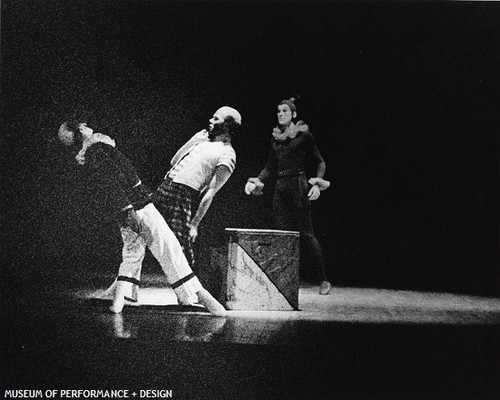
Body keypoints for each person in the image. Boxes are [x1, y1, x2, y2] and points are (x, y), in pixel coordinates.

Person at [57, 119, 226, 316]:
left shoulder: (96, 149)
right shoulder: (98, 149)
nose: (86, 126)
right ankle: (198, 293)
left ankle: (119, 299)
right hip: (137, 206)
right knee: (168, 247)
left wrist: (124, 210)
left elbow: (112, 183)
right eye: (81, 127)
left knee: (132, 252)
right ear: (81, 129)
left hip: (129, 206)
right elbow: (112, 182)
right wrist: (127, 209)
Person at [244, 98, 332, 295]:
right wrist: (257, 180)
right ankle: (288, 280)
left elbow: (320, 162)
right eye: (278, 111)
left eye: (284, 111)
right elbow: (270, 167)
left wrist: (317, 182)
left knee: (307, 234)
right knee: (282, 234)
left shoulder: (304, 136)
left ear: (293, 114)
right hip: (281, 187)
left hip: (298, 185)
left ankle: (323, 279)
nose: (280, 114)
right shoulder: (276, 139)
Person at [153, 106, 241, 269]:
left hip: (182, 195)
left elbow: (211, 191)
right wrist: (193, 140)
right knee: (141, 230)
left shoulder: (227, 153)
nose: (210, 121)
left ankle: (190, 292)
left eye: (216, 119)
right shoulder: (202, 141)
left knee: (181, 249)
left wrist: (195, 223)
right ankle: (124, 284)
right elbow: (174, 161)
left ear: (227, 126)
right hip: (166, 186)